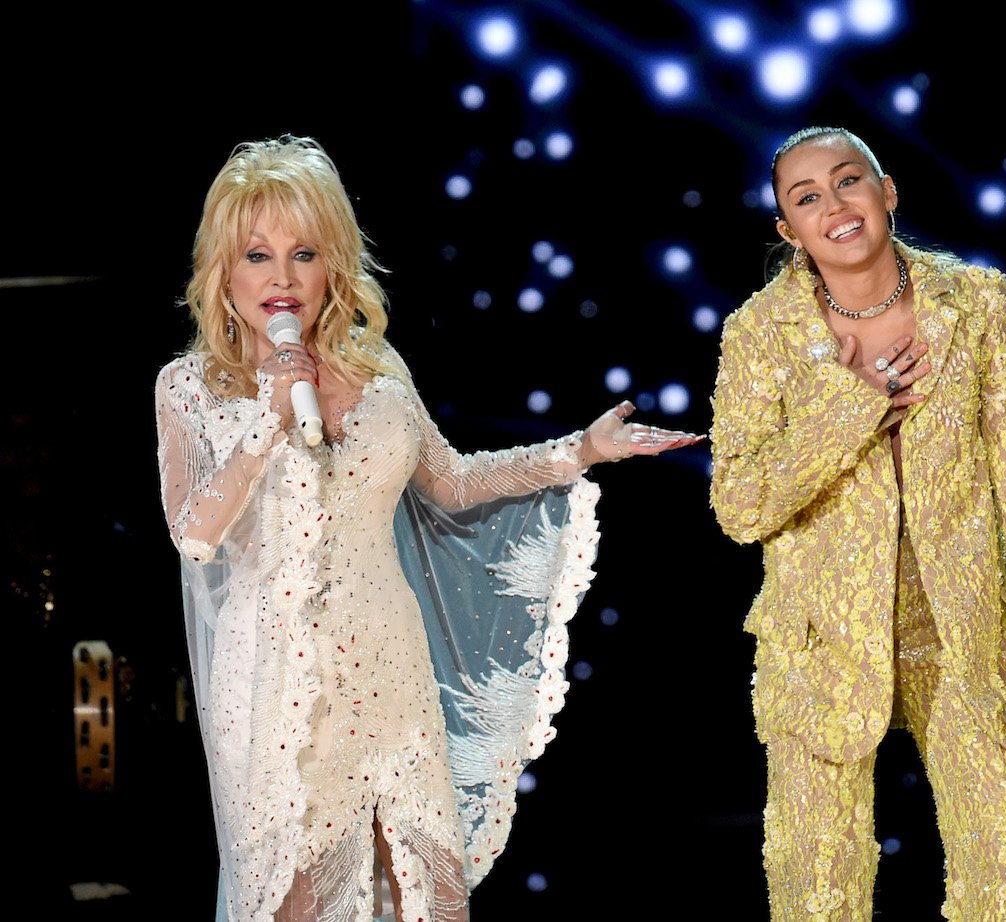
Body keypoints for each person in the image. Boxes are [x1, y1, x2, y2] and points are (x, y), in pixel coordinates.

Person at [154, 134, 702, 922]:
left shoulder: (377, 366)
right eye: (257, 255)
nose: (282, 278)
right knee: (296, 903)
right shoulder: (189, 386)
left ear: (332, 263)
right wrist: (266, 422)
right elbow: (192, 534)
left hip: (390, 665)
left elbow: (454, 482)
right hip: (278, 685)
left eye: (304, 253)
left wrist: (579, 450)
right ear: (223, 269)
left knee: (432, 897)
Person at [707, 126, 1006, 921]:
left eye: (848, 180)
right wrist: (851, 406)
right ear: (789, 230)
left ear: (887, 192)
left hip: (966, 635)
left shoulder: (977, 303)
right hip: (818, 645)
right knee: (817, 896)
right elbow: (741, 507)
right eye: (807, 198)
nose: (834, 205)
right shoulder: (759, 334)